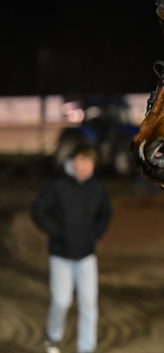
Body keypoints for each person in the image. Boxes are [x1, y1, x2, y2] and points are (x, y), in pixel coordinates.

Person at [32, 143, 112, 353]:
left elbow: (105, 213)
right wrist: (56, 231)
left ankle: (86, 348)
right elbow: (38, 211)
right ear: (73, 161)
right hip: (61, 254)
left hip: (86, 256)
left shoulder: (97, 187)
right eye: (82, 161)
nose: (86, 166)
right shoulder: (57, 185)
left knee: (89, 304)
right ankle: (53, 338)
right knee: (61, 301)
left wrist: (95, 233)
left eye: (90, 162)